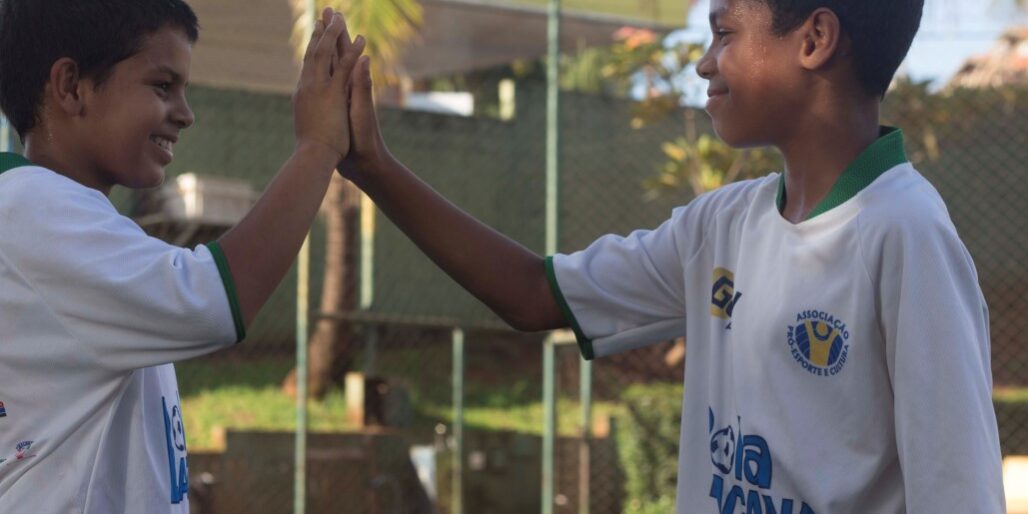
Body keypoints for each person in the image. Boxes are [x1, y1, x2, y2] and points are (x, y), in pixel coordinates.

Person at [340, 0, 1006, 511]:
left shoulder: (907, 236)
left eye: (724, 32)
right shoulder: (719, 225)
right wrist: (372, 167)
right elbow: (533, 293)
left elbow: (957, 491)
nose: (703, 62)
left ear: (814, 40)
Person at [0, 2, 364, 512]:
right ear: (70, 86)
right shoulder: (31, 208)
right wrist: (317, 146)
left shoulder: (62, 218)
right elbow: (214, 299)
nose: (185, 114)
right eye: (162, 86)